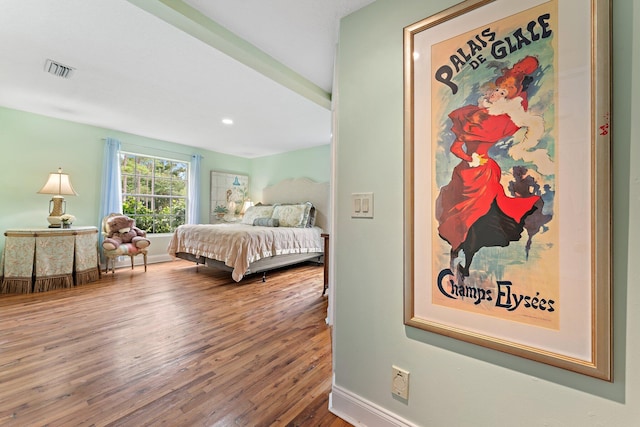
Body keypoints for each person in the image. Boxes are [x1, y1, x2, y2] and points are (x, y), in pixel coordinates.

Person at [435, 55, 550, 277]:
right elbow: (456, 148)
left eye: (504, 94)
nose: (497, 94)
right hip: (466, 172)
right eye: (498, 90)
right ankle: (457, 251)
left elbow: (516, 122)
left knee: (480, 215)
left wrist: (475, 160)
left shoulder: (499, 122)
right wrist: (470, 159)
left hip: (485, 173)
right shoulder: (472, 115)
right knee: (459, 214)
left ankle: (465, 259)